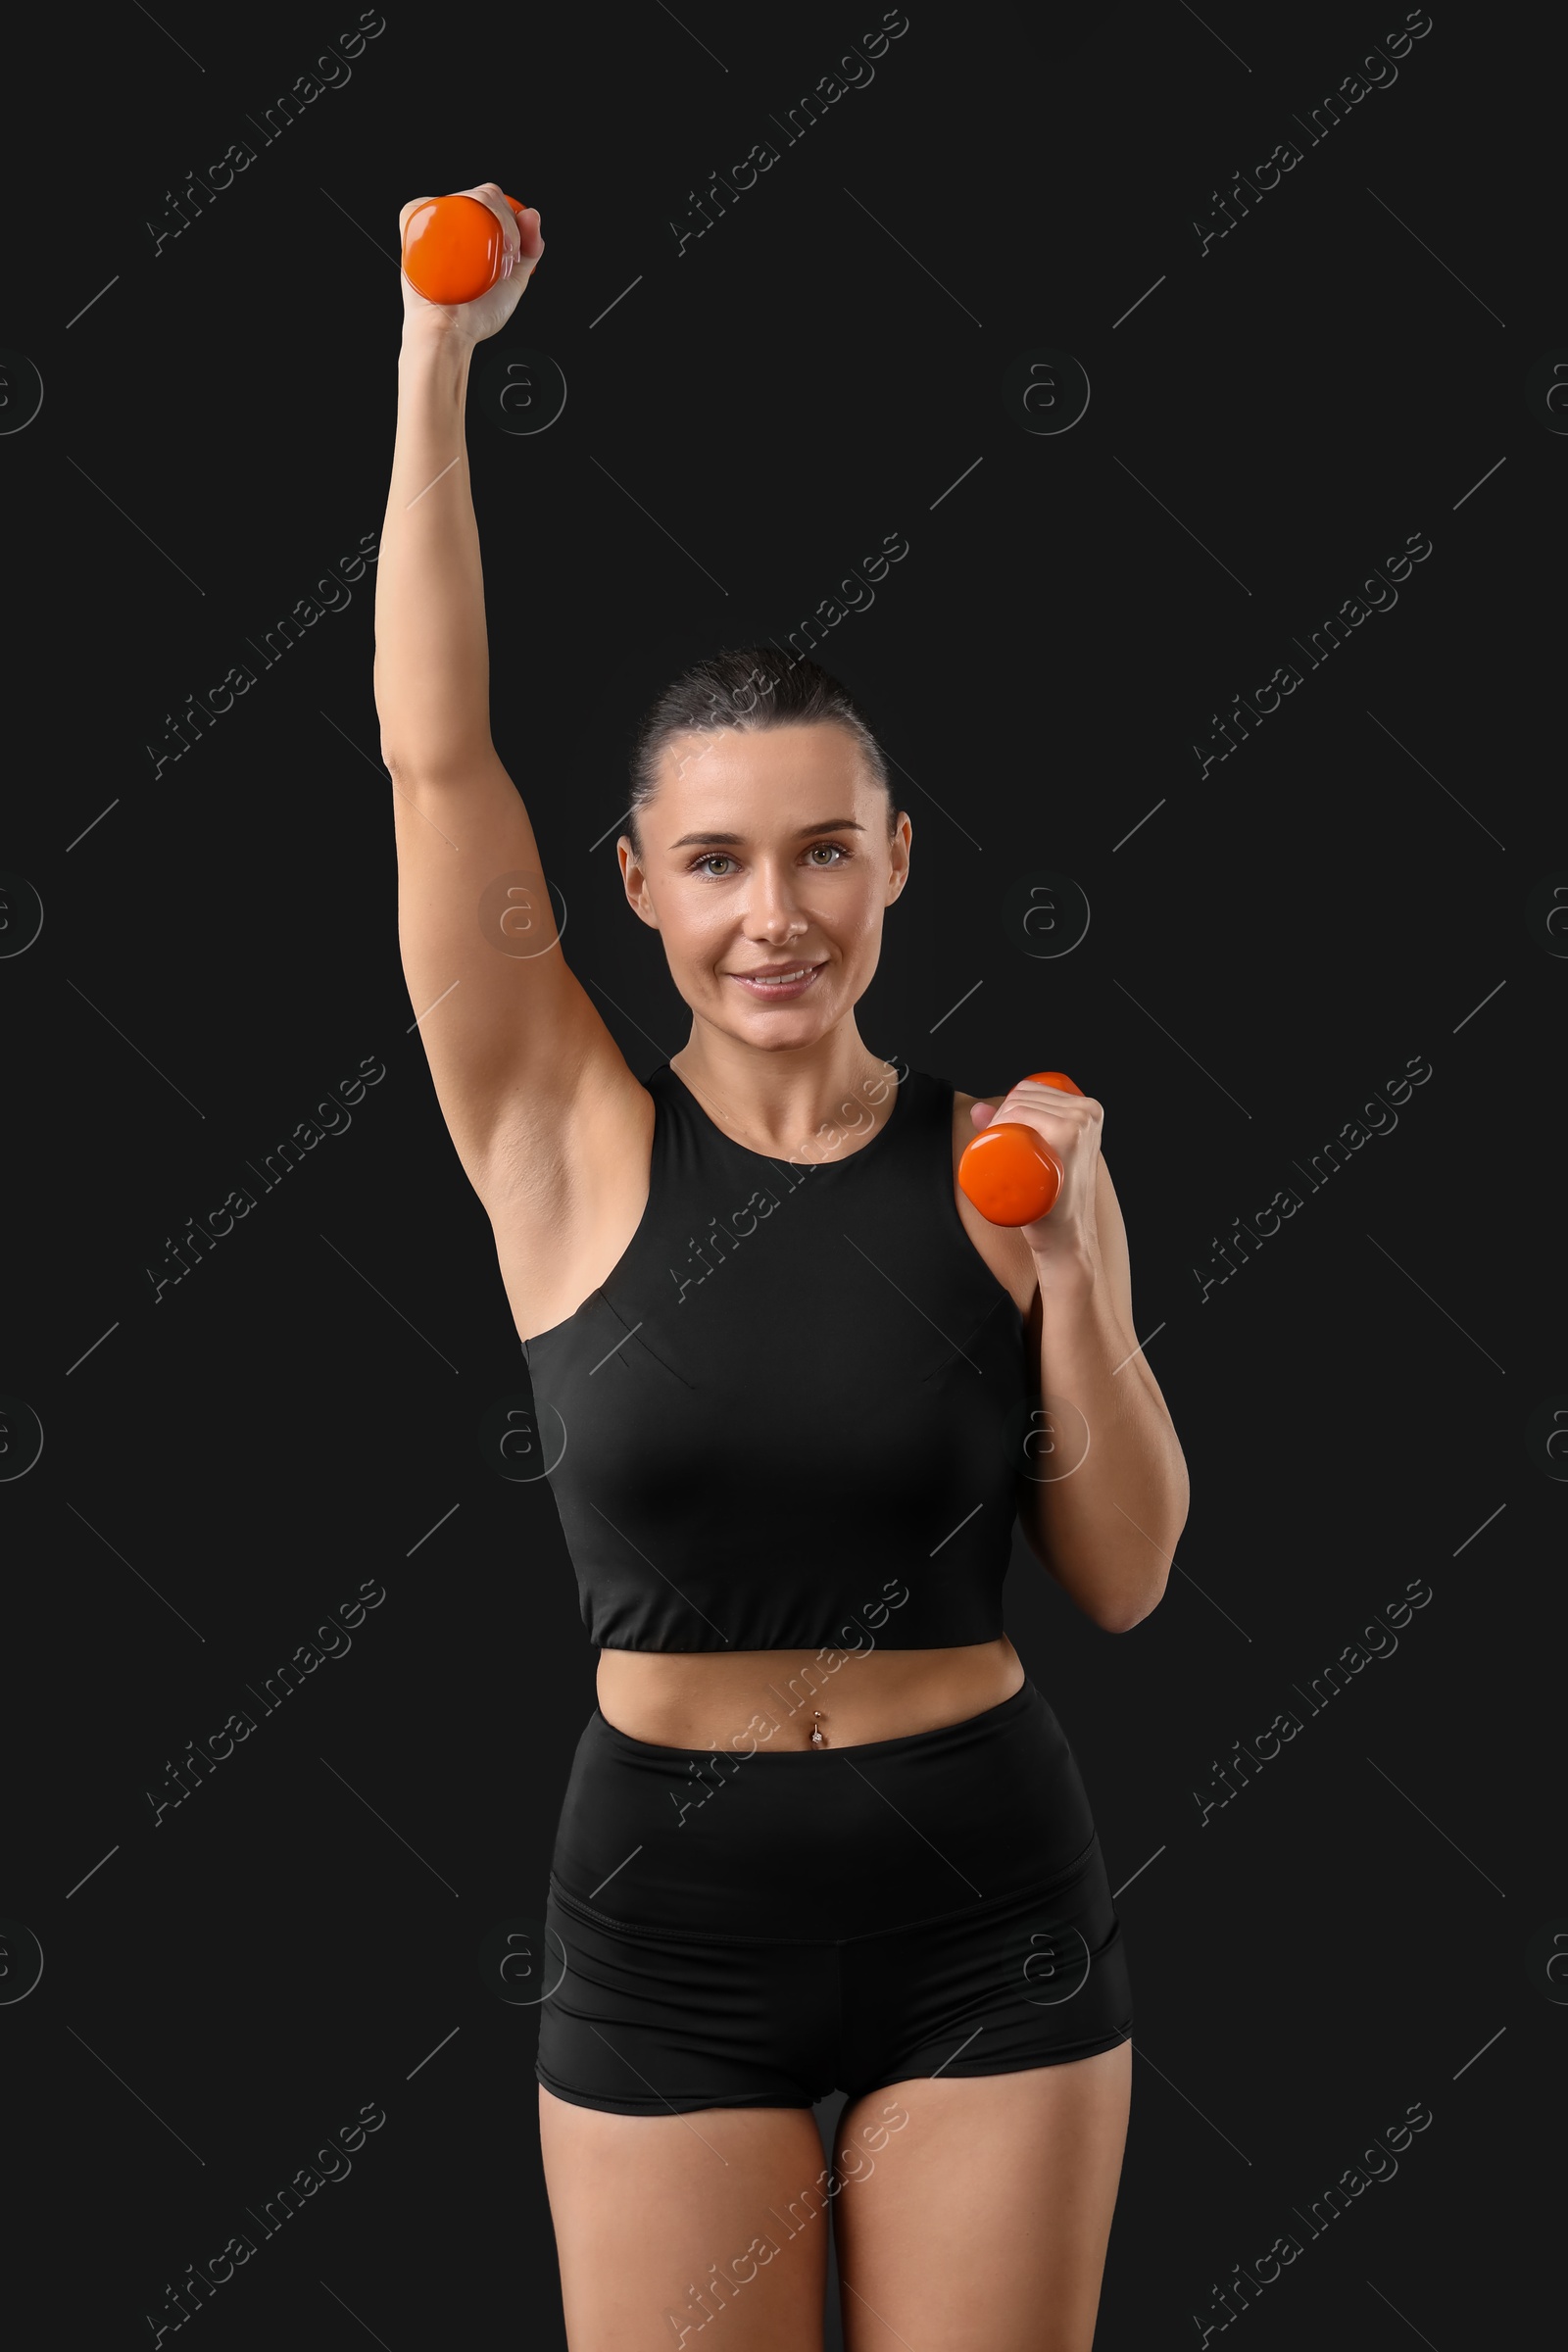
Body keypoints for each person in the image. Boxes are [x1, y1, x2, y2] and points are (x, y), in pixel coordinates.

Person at [375, 183, 1190, 2352]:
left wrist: (1078, 1282)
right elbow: (433, 755)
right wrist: (433, 363)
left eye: (825, 851)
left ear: (895, 863)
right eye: (715, 861)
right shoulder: (559, 1142)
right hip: (667, 1915)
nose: (776, 916)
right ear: (629, 883)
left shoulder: (1005, 1169)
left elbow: (1119, 1580)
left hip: (983, 1891)